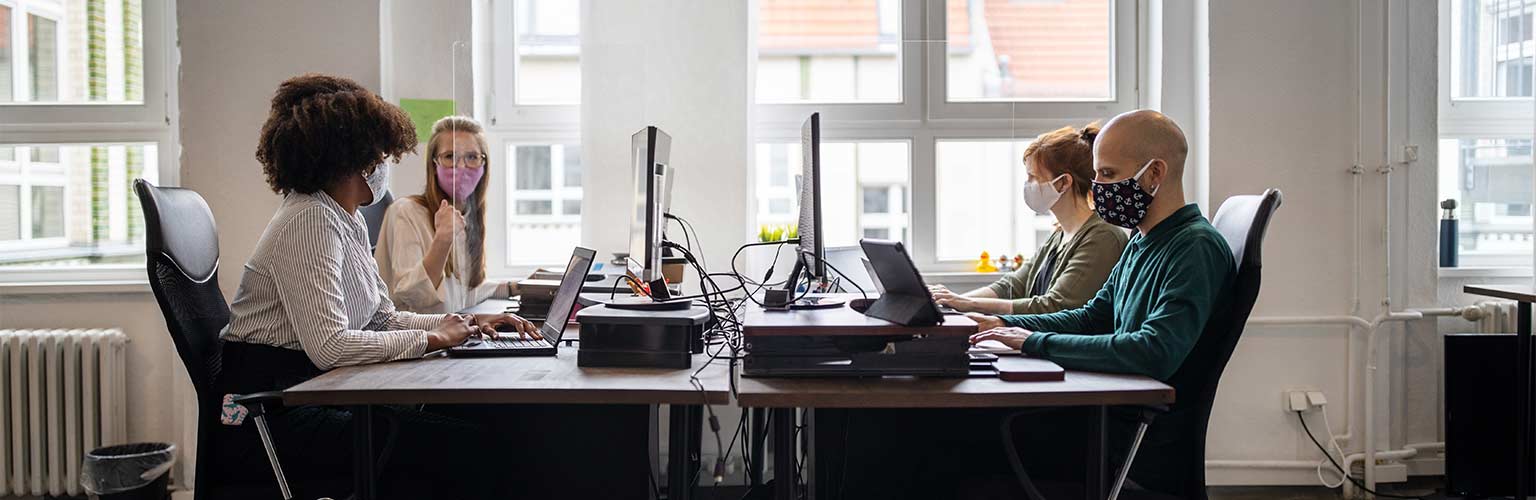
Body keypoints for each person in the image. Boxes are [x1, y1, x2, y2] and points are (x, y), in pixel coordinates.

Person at [213, 74, 539, 500]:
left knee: (477, 422)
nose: (386, 162)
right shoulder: (308, 219)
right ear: (351, 158)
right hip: (274, 413)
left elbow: (382, 317)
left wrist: (464, 322)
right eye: (380, 153)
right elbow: (330, 346)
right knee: (469, 449)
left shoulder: (342, 216)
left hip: (314, 392)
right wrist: (432, 337)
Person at [967, 109, 1234, 380]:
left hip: (1133, 414)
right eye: (1096, 174)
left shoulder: (1195, 247)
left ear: (1155, 173)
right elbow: (1091, 318)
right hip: (1117, 398)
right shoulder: (1140, 241)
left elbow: (1154, 351)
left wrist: (1034, 342)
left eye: (1108, 173)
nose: (1097, 186)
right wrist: (1005, 324)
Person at [930, 123, 1128, 315]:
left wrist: (968, 304)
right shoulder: (1060, 234)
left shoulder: (1103, 237)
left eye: (1033, 177)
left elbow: (1054, 306)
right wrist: (952, 305)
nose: (1028, 184)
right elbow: (1013, 285)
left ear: (1063, 183)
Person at [375, 116, 505, 313]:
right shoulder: (405, 212)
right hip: (414, 339)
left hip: (449, 334)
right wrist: (442, 240)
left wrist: (518, 287)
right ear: (434, 164)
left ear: (483, 165)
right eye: (450, 156)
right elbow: (413, 296)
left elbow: (461, 294)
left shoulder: (468, 216)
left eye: (472, 157)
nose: (461, 166)